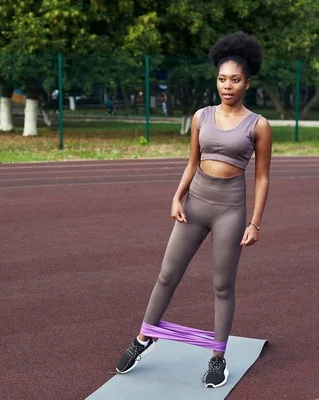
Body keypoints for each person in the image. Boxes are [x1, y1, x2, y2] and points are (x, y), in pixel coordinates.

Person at [115, 31, 272, 389]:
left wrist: (255, 223)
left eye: (235, 80)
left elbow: (262, 179)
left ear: (248, 82)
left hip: (230, 208)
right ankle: (143, 338)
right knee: (167, 275)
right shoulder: (202, 116)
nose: (227, 86)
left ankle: (217, 358)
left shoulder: (259, 125)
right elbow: (192, 162)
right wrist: (176, 196)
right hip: (195, 203)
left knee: (222, 286)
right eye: (221, 79)